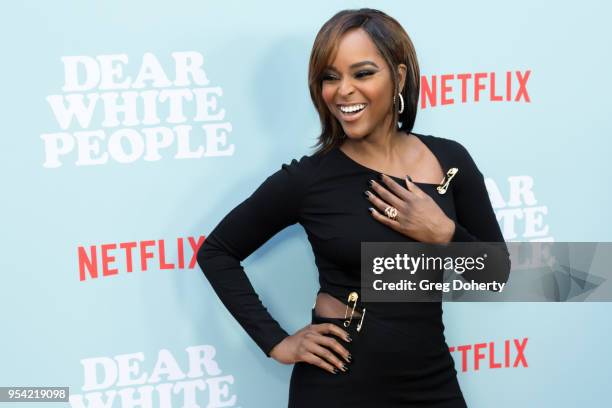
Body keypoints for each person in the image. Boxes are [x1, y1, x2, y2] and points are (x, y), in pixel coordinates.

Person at [197, 8, 510, 407]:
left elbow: (495, 275)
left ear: (398, 76)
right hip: (338, 384)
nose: (343, 90)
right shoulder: (310, 179)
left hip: (431, 381)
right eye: (331, 77)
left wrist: (444, 234)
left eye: (362, 73)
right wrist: (276, 342)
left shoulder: (451, 160)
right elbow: (217, 251)